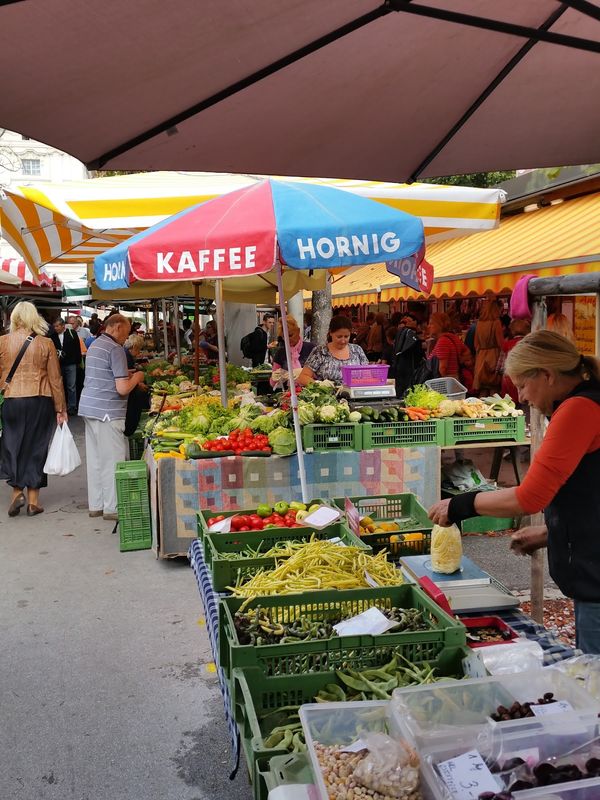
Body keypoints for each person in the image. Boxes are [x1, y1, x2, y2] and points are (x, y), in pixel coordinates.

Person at [428, 330, 600, 653]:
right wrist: (551, 534)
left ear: (547, 375)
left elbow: (530, 497)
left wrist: (460, 505)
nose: (521, 396)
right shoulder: (586, 402)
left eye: (522, 385)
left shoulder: (579, 410)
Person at [0, 301, 67, 517]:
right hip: (40, 399)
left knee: (12, 445)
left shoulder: (2, 342)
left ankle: (16, 493)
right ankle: (33, 502)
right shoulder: (46, 344)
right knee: (37, 447)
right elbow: (55, 379)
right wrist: (61, 408)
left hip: (12, 400)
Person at [79, 314, 145, 521]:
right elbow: (122, 388)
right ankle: (113, 508)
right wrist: (137, 376)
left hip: (89, 408)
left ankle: (97, 505)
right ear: (116, 327)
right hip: (108, 412)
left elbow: (105, 374)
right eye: (126, 332)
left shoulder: (96, 345)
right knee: (113, 461)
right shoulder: (116, 349)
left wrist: (126, 372)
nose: (126, 338)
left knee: (96, 460)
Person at [298, 315, 368, 385]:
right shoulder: (320, 351)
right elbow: (303, 377)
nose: (343, 341)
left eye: (346, 336)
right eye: (339, 337)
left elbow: (367, 374)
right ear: (331, 333)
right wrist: (320, 385)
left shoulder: (357, 350)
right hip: (327, 394)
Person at [427, 312, 473, 386]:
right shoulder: (453, 338)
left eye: (431, 323)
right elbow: (467, 354)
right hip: (455, 379)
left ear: (439, 325)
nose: (428, 326)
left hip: (446, 383)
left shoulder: (442, 341)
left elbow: (442, 368)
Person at [269, 316, 315, 388]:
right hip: (289, 394)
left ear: (298, 331)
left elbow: (320, 374)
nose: (288, 339)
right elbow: (272, 384)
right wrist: (275, 377)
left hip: (311, 392)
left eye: (290, 335)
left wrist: (303, 372)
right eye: (284, 337)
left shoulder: (312, 349)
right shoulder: (280, 353)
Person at [50, 317, 82, 416]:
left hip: (71, 364)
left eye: (57, 326)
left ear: (63, 326)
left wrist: (77, 362)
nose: (55, 328)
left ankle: (72, 407)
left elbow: (77, 349)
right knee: (59, 386)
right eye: (54, 326)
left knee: (71, 386)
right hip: (58, 364)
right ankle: (61, 406)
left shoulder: (72, 334)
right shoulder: (52, 336)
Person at [473, 295, 504, 395]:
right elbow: (501, 344)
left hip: (481, 358)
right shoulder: (496, 322)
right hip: (493, 357)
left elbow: (476, 344)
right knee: (494, 389)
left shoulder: (479, 323)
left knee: (482, 390)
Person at [391, 313, 424, 398]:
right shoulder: (409, 333)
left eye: (409, 320)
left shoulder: (403, 333)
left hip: (401, 368)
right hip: (409, 369)